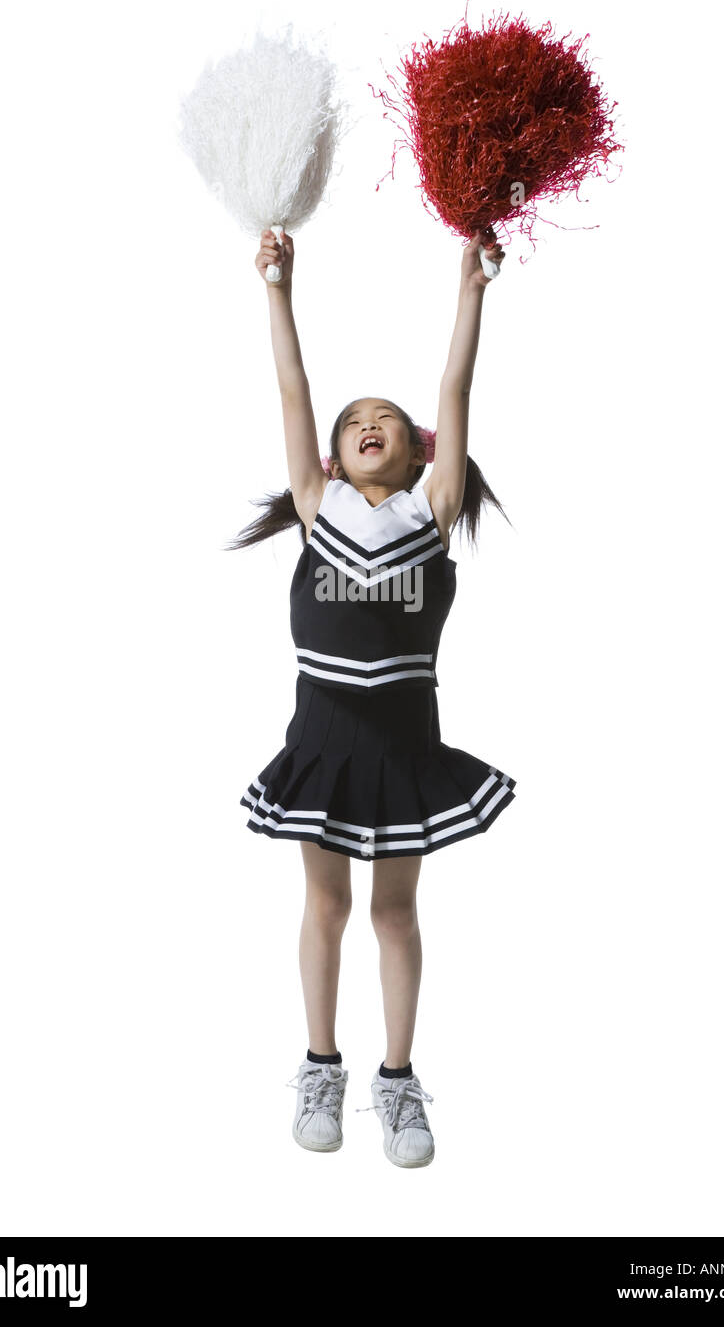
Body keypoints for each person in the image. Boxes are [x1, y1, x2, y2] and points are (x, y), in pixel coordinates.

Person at [227, 226, 517, 1169]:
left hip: (402, 748)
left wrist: (470, 287)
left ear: (416, 452)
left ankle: (399, 1082)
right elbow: (291, 393)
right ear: (336, 456)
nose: (368, 425)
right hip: (323, 742)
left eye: (384, 419)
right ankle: (321, 1065)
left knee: (393, 913)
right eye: (356, 423)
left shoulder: (426, 514)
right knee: (326, 910)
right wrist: (278, 289)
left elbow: (455, 392)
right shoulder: (320, 507)